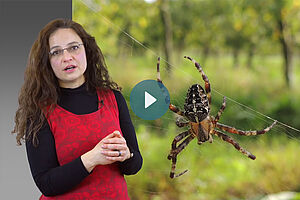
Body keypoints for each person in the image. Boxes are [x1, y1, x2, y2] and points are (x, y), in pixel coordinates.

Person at [12, 18, 143, 199]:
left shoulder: (113, 98)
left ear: (87, 50)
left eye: (74, 47)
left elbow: (134, 166)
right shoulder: (39, 112)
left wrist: (126, 155)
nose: (67, 57)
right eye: (56, 52)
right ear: (46, 61)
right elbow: (46, 184)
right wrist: (92, 158)